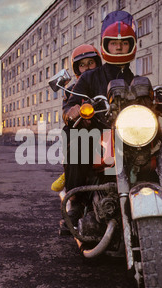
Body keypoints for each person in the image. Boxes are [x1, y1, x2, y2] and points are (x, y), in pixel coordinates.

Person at [62, 11, 138, 226]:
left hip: (129, 136)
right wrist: (74, 109)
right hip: (97, 134)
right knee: (78, 144)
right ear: (106, 47)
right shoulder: (89, 78)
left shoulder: (136, 79)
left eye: (124, 44)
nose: (119, 47)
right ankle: (76, 201)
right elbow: (70, 105)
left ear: (132, 45)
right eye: (114, 44)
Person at [51, 44, 102, 234]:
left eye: (91, 63)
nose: (87, 68)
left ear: (98, 63)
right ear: (76, 69)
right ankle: (76, 204)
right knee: (76, 140)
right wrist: (73, 113)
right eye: (82, 65)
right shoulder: (72, 90)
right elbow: (67, 112)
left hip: (112, 130)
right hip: (85, 132)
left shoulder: (108, 82)